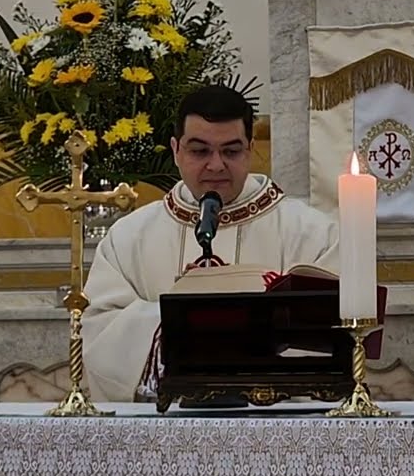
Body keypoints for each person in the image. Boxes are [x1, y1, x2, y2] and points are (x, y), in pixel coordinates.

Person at [82, 84, 340, 402]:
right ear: (176, 149)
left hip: (278, 434)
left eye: (231, 151)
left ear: (250, 149)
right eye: (199, 150)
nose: (216, 165)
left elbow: (337, 337)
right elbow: (99, 330)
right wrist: (180, 318)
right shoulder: (129, 237)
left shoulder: (312, 233)